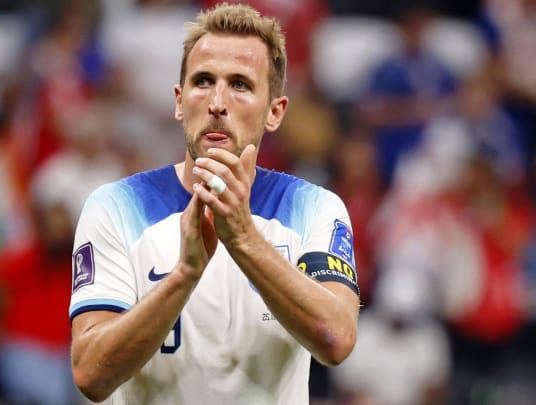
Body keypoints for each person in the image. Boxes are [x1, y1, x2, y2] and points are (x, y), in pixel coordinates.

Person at [69, 3, 360, 404]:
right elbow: (90, 373)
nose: (217, 102)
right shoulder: (116, 206)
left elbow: (337, 339)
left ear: (275, 112)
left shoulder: (315, 208)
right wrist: (183, 276)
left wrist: (242, 238)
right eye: (203, 81)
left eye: (240, 84)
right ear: (178, 100)